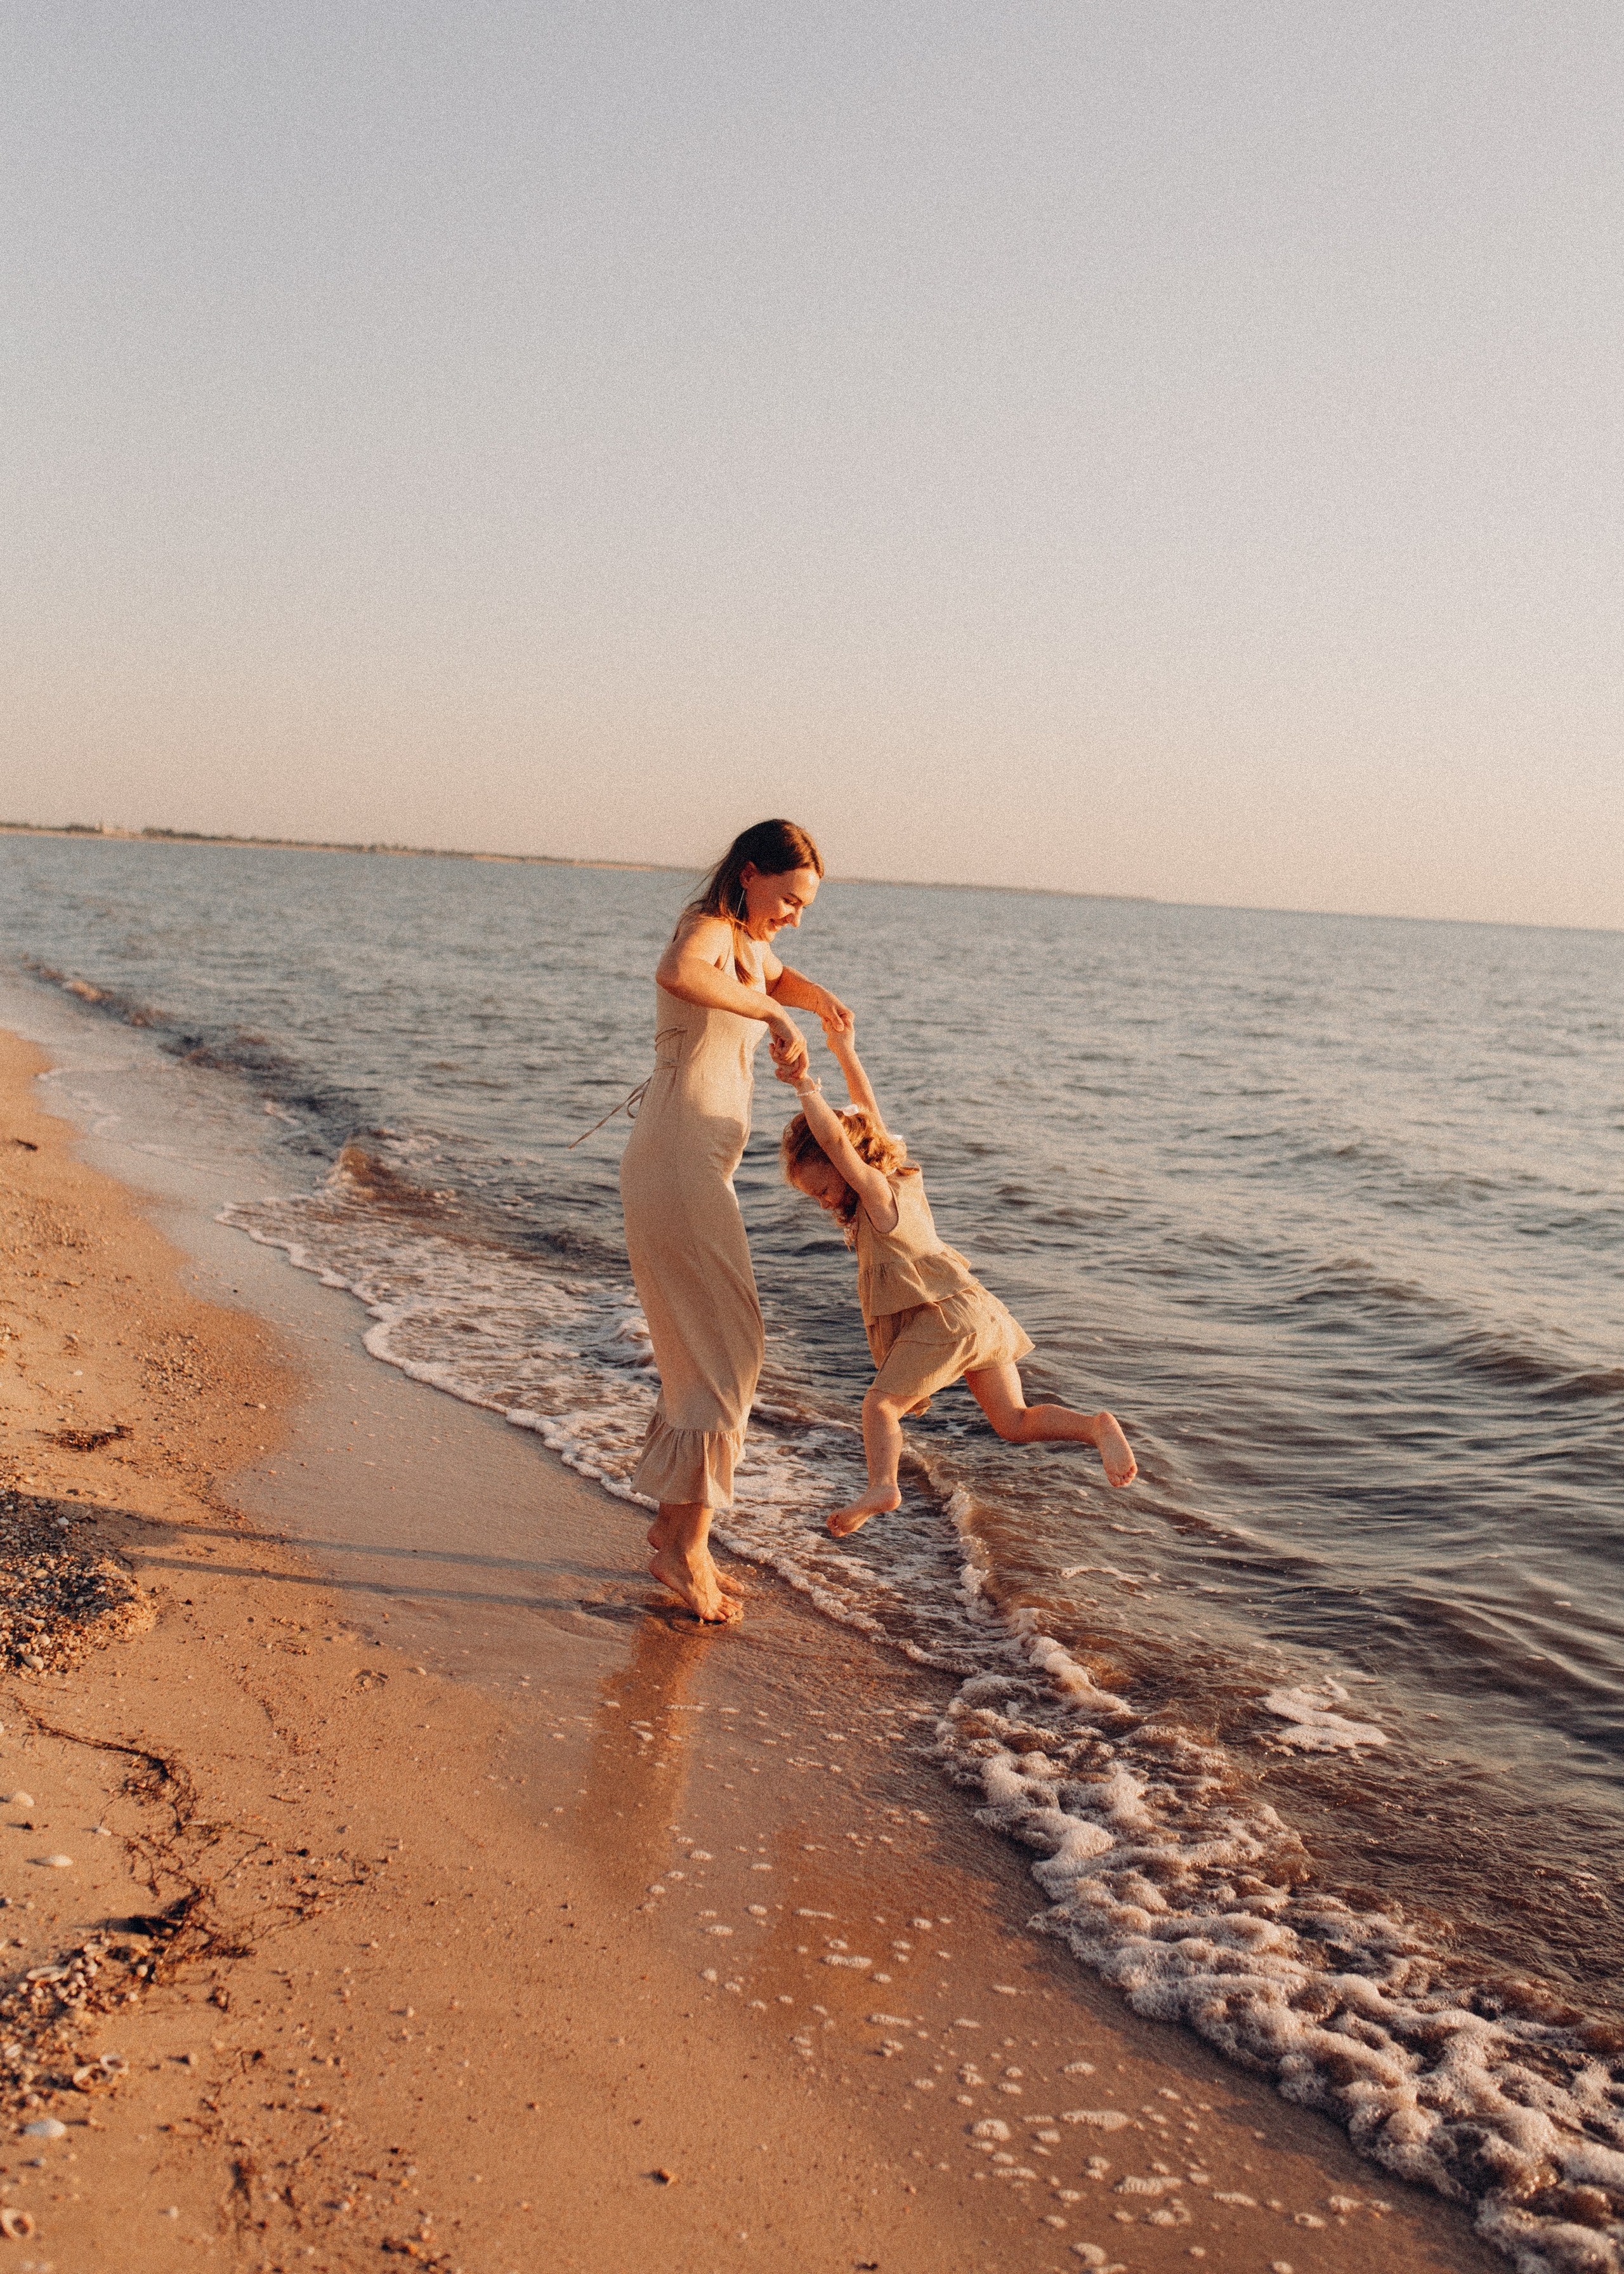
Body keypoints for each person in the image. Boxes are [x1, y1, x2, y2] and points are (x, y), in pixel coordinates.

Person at [619, 820, 852, 1620]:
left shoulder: (750, 944)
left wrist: (813, 1003)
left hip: (695, 1164)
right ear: (748, 875)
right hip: (676, 1158)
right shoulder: (709, 929)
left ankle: (676, 1534)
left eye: (805, 904)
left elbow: (775, 976)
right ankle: (684, 1549)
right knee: (729, 1348)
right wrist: (778, 1020)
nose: (794, 913)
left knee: (716, 1350)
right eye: (788, 897)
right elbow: (681, 972)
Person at [776, 1020, 1137, 1536]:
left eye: (824, 1190)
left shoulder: (877, 1197)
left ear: (848, 1165)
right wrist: (845, 1051)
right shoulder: (900, 1178)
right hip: (976, 1311)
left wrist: (805, 1085)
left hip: (943, 1319)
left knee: (880, 1406)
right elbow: (866, 1113)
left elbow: (837, 1140)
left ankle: (883, 1485)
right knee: (1013, 1422)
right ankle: (1094, 1426)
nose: (826, 1201)